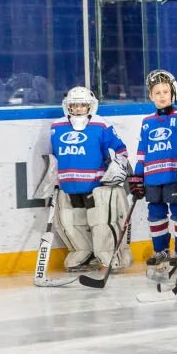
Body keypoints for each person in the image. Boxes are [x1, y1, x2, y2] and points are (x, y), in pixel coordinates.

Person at [50, 85, 128, 273]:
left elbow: (120, 150)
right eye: (74, 105)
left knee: (100, 221)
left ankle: (109, 255)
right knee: (72, 221)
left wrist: (118, 167)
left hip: (95, 185)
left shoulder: (101, 125)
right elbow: (54, 156)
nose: (78, 109)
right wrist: (51, 176)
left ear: (90, 107)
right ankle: (83, 253)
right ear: (67, 107)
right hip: (69, 186)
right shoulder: (57, 127)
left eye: (82, 105)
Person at [129, 69, 177, 275]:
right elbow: (142, 152)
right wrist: (138, 177)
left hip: (174, 176)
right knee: (156, 215)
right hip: (153, 177)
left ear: (173, 94)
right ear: (150, 96)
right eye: (157, 92)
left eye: (165, 91)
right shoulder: (147, 122)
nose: (162, 96)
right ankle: (161, 250)